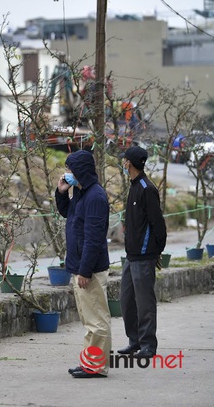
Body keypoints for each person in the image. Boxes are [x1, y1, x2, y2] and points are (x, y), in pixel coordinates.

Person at [55, 149, 112, 378]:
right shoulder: (80, 193)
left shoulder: (95, 197)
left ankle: (96, 366)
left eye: (71, 169)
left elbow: (94, 238)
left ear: (81, 171)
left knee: (97, 320)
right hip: (80, 266)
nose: (67, 173)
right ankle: (90, 361)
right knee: (89, 320)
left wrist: (85, 270)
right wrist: (61, 193)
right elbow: (67, 214)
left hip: (91, 269)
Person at [118, 145, 167, 359]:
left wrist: (156, 253)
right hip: (131, 256)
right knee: (126, 299)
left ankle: (148, 345)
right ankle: (134, 340)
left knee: (145, 302)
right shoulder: (134, 186)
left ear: (129, 163)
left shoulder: (147, 188)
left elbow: (159, 225)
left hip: (144, 256)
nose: (122, 162)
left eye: (124, 160)